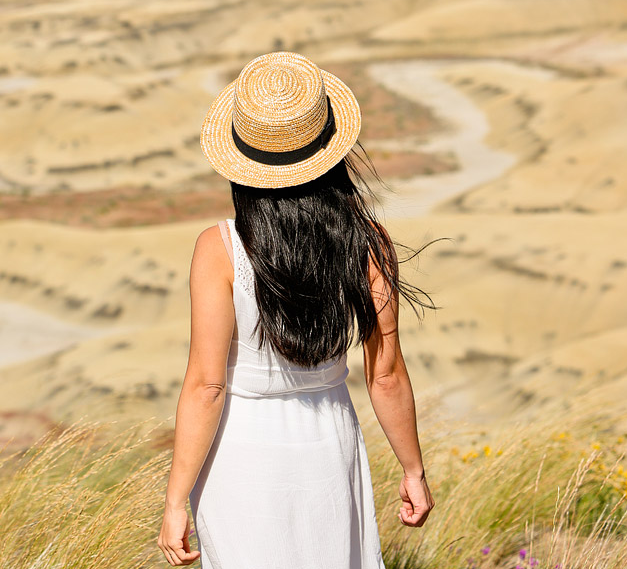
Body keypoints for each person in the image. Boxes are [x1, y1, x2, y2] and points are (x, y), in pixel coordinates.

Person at [158, 51, 435, 568]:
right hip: (329, 444)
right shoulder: (369, 244)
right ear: (329, 150)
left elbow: (207, 386)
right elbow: (387, 375)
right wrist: (412, 469)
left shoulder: (219, 249)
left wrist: (176, 501)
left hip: (240, 457)